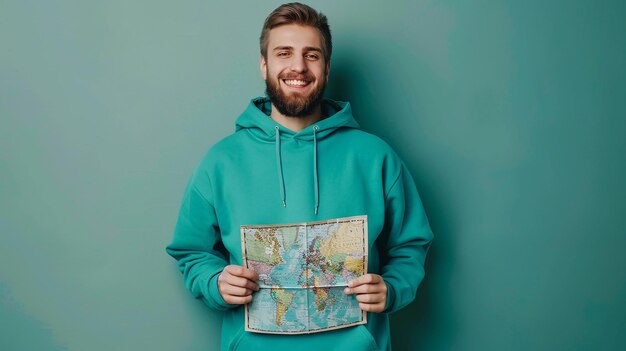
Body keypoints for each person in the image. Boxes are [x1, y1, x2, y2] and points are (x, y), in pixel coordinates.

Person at [166, 3, 433, 350]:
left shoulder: (375, 156)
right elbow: (191, 251)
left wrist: (394, 287)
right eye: (284, 53)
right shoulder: (221, 161)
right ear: (264, 64)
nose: (297, 67)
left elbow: (411, 243)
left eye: (312, 55)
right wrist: (215, 282)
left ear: (326, 66)